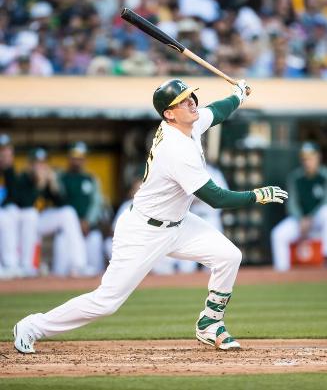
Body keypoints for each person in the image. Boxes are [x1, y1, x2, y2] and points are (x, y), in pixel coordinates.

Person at [13, 78, 288, 354]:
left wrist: (238, 95)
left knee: (229, 256)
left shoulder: (187, 123)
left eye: (191, 96)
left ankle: (210, 324)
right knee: (106, 302)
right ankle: (32, 326)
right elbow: (215, 198)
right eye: (182, 100)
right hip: (144, 231)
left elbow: (216, 112)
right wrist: (256, 195)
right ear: (169, 113)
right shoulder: (175, 148)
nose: (191, 102)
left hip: (179, 224)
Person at [15, 148, 90, 277]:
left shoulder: (48, 179)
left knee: (68, 212)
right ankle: (26, 266)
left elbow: (62, 203)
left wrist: (54, 186)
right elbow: (24, 204)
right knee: (30, 215)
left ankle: (79, 265)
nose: (41, 166)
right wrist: (38, 185)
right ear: (30, 165)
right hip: (21, 222)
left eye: (43, 163)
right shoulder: (23, 178)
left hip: (40, 221)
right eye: (37, 163)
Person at [271, 142, 327, 272]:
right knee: (278, 234)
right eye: (304, 158)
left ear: (318, 157)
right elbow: (292, 203)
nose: (307, 162)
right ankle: (282, 274)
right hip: (300, 221)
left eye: (311, 158)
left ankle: (325, 258)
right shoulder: (295, 177)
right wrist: (301, 218)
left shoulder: (324, 175)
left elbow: (325, 201)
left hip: (318, 220)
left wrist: (311, 218)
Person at [57, 142, 105, 275]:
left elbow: (97, 203)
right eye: (74, 158)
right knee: (60, 270)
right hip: (66, 230)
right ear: (69, 159)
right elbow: (58, 201)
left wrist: (88, 221)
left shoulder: (91, 178)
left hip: (87, 229)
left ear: (84, 159)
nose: (77, 161)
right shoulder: (62, 177)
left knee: (94, 265)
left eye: (80, 158)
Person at [0, 134, 22, 278]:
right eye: (2, 152)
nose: (5, 156)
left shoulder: (9, 172)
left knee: (12, 212)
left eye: (8, 152)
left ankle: (12, 264)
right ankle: (9, 264)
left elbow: (14, 197)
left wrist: (8, 170)